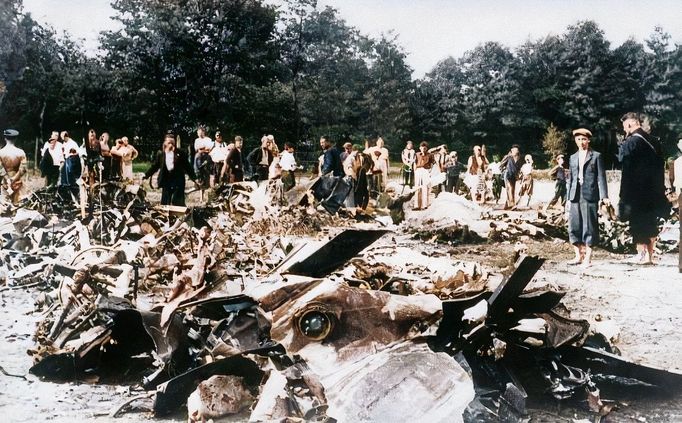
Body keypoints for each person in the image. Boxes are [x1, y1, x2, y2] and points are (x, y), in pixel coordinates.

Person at [617, 112, 669, 264]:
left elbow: (626, 170)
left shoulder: (630, 143)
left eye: (624, 127)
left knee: (638, 222)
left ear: (630, 124)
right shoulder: (654, 141)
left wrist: (623, 194)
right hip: (654, 190)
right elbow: (661, 167)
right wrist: (660, 190)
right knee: (651, 221)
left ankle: (641, 254)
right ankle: (650, 256)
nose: (624, 130)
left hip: (636, 192)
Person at [567, 128, 609, 267]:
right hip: (574, 195)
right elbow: (570, 178)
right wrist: (567, 198)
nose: (581, 142)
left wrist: (604, 196)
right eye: (578, 139)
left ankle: (588, 259)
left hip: (589, 195)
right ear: (575, 141)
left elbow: (601, 177)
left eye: (584, 139)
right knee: (574, 225)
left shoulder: (596, 156)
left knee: (589, 226)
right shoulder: (572, 157)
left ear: (588, 140)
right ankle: (578, 255)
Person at [144, 133, 197, 206]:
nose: (171, 145)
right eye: (169, 143)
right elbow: (155, 166)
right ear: (165, 143)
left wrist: (195, 178)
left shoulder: (181, 153)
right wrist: (146, 175)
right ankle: (165, 216)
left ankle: (179, 215)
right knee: (165, 203)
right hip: (166, 180)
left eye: (172, 143)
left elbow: (187, 167)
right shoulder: (161, 154)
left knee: (177, 202)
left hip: (178, 180)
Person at [0, 129, 27, 204]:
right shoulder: (20, 152)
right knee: (16, 205)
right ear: (15, 139)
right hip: (17, 182)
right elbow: (23, 169)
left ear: (5, 138)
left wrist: (7, 179)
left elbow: (0, 169)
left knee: (5, 205)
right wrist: (13, 179)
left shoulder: (1, 152)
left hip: (5, 182)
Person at [500, 144, 523, 209]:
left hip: (514, 176)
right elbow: (501, 165)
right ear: (512, 150)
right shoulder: (508, 157)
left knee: (512, 190)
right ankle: (512, 204)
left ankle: (506, 206)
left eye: (517, 150)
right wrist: (504, 171)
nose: (516, 151)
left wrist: (519, 175)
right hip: (507, 175)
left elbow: (519, 168)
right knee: (509, 189)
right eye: (515, 150)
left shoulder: (519, 158)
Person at [413, 141, 434, 210]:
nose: (423, 149)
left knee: (425, 187)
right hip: (418, 170)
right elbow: (415, 163)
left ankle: (424, 205)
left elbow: (432, 164)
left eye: (425, 148)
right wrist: (415, 171)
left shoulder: (430, 155)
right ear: (419, 148)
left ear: (427, 148)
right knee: (417, 187)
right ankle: (416, 205)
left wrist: (430, 171)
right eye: (422, 148)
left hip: (425, 170)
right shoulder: (417, 154)